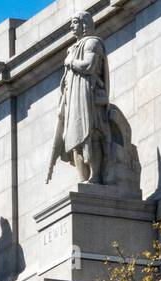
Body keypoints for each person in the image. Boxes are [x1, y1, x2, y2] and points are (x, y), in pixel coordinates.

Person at [47, 10, 112, 185]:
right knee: (73, 137)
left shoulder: (92, 43)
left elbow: (89, 66)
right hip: (74, 99)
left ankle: (95, 176)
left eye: (75, 22)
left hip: (88, 97)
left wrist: (70, 62)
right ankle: (83, 179)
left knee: (91, 135)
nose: (71, 26)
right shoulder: (72, 48)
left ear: (84, 24)